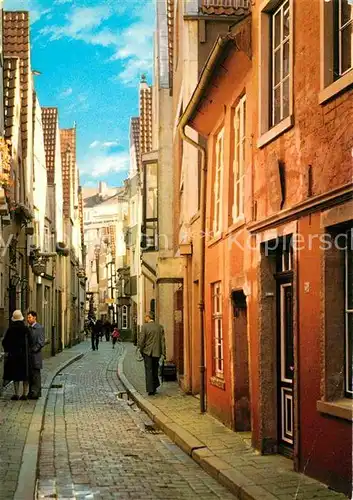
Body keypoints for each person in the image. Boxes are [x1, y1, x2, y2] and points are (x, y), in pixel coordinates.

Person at [2, 310, 32, 400]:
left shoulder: (10, 329)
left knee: (15, 375)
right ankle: (24, 394)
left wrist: (8, 350)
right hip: (24, 355)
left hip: (14, 355)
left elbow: (5, 342)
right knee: (25, 375)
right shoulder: (26, 329)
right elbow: (30, 341)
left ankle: (16, 393)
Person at [138, 313, 166, 396]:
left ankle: (151, 389)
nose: (144, 319)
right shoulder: (159, 327)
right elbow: (162, 341)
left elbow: (142, 340)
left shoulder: (145, 327)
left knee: (149, 370)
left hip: (147, 352)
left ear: (148, 317)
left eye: (145, 317)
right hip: (157, 352)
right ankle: (155, 386)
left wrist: (140, 348)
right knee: (155, 369)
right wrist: (164, 352)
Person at [27, 311, 45, 400]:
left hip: (36, 355)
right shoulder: (28, 328)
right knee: (30, 374)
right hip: (29, 356)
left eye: (30, 317)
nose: (28, 319)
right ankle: (31, 392)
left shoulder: (39, 328)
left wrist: (33, 350)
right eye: (27, 317)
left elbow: (41, 342)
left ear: (34, 318)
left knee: (36, 374)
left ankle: (36, 392)